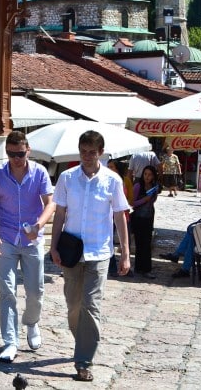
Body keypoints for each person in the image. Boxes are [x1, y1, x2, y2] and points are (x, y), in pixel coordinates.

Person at [49, 130, 130, 383]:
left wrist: (125, 253)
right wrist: (53, 247)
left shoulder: (112, 180)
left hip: (99, 252)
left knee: (91, 305)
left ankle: (84, 361)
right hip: (72, 253)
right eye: (83, 151)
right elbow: (60, 214)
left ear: (101, 153)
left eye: (91, 152)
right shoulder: (67, 178)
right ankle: (83, 340)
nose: (86, 156)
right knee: (74, 305)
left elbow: (119, 216)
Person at [0, 131, 55, 363]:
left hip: (33, 240)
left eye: (20, 154)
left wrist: (39, 224)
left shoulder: (40, 173)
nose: (16, 159)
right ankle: (10, 342)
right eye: (12, 154)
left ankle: (32, 323)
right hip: (6, 238)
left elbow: (50, 203)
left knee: (35, 291)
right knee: (7, 291)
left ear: (28, 151)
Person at [130, 165, 160, 279]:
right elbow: (132, 203)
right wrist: (144, 199)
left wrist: (152, 195)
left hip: (149, 217)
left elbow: (153, 202)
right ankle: (138, 268)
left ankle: (146, 269)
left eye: (150, 175)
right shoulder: (138, 186)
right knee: (139, 243)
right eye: (145, 174)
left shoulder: (153, 186)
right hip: (138, 218)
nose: (147, 177)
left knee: (147, 244)